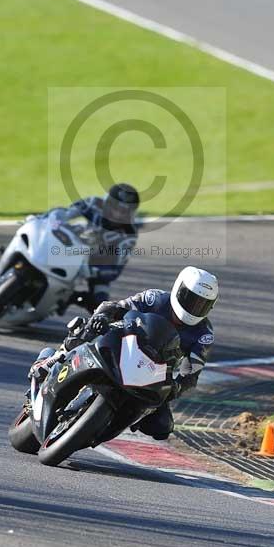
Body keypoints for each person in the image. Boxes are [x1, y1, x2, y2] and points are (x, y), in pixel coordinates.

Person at [30, 266, 218, 441]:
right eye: (190, 299)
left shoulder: (204, 335)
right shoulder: (155, 298)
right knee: (86, 329)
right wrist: (102, 317)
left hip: (153, 372)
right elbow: (114, 306)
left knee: (161, 427)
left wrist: (177, 387)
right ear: (178, 289)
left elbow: (192, 373)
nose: (194, 307)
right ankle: (54, 359)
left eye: (202, 304)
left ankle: (109, 423)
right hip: (124, 346)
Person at [51, 183, 140, 313]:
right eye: (115, 207)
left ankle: (73, 300)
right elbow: (66, 213)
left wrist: (95, 271)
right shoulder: (93, 203)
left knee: (101, 304)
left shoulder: (129, 234)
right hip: (69, 245)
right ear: (107, 203)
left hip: (94, 264)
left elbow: (116, 267)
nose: (118, 214)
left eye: (124, 211)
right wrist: (53, 220)